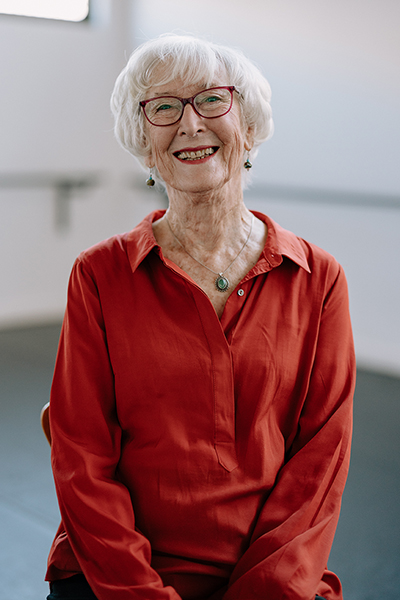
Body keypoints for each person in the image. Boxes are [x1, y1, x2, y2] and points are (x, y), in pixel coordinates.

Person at [45, 34, 355, 600]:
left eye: (212, 100)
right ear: (144, 144)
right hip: (119, 578)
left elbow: (320, 465)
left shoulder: (319, 278)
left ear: (251, 127)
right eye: (163, 107)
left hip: (272, 579)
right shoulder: (98, 275)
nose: (189, 125)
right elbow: (81, 460)